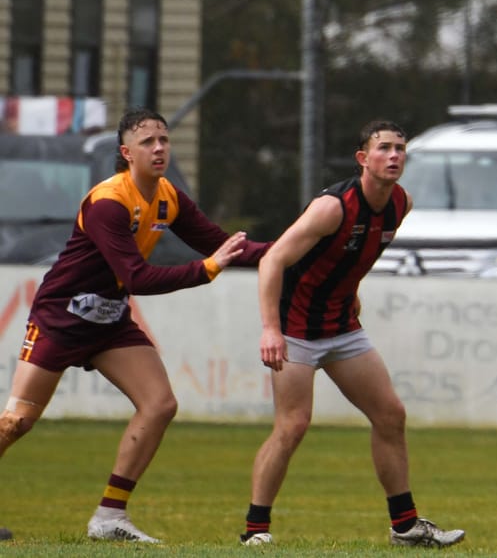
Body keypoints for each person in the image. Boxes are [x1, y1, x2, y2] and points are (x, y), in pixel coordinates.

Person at [0, 107, 265, 544]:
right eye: (148, 142)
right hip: (61, 318)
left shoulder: (168, 197)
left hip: (108, 321)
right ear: (126, 153)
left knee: (160, 404)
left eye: (163, 139)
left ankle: (109, 518)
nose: (159, 147)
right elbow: (138, 276)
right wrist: (207, 269)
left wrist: (299, 249)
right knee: (17, 423)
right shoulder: (109, 202)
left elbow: (225, 245)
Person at [239, 120, 462, 548]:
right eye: (384, 148)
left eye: (400, 148)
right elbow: (272, 261)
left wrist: (351, 290)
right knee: (293, 425)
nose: (394, 156)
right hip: (297, 328)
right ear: (363, 159)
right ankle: (255, 531)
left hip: (341, 326)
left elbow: (356, 253)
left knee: (390, 415)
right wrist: (271, 329)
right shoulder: (332, 207)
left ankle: (405, 527)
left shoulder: (402, 203)